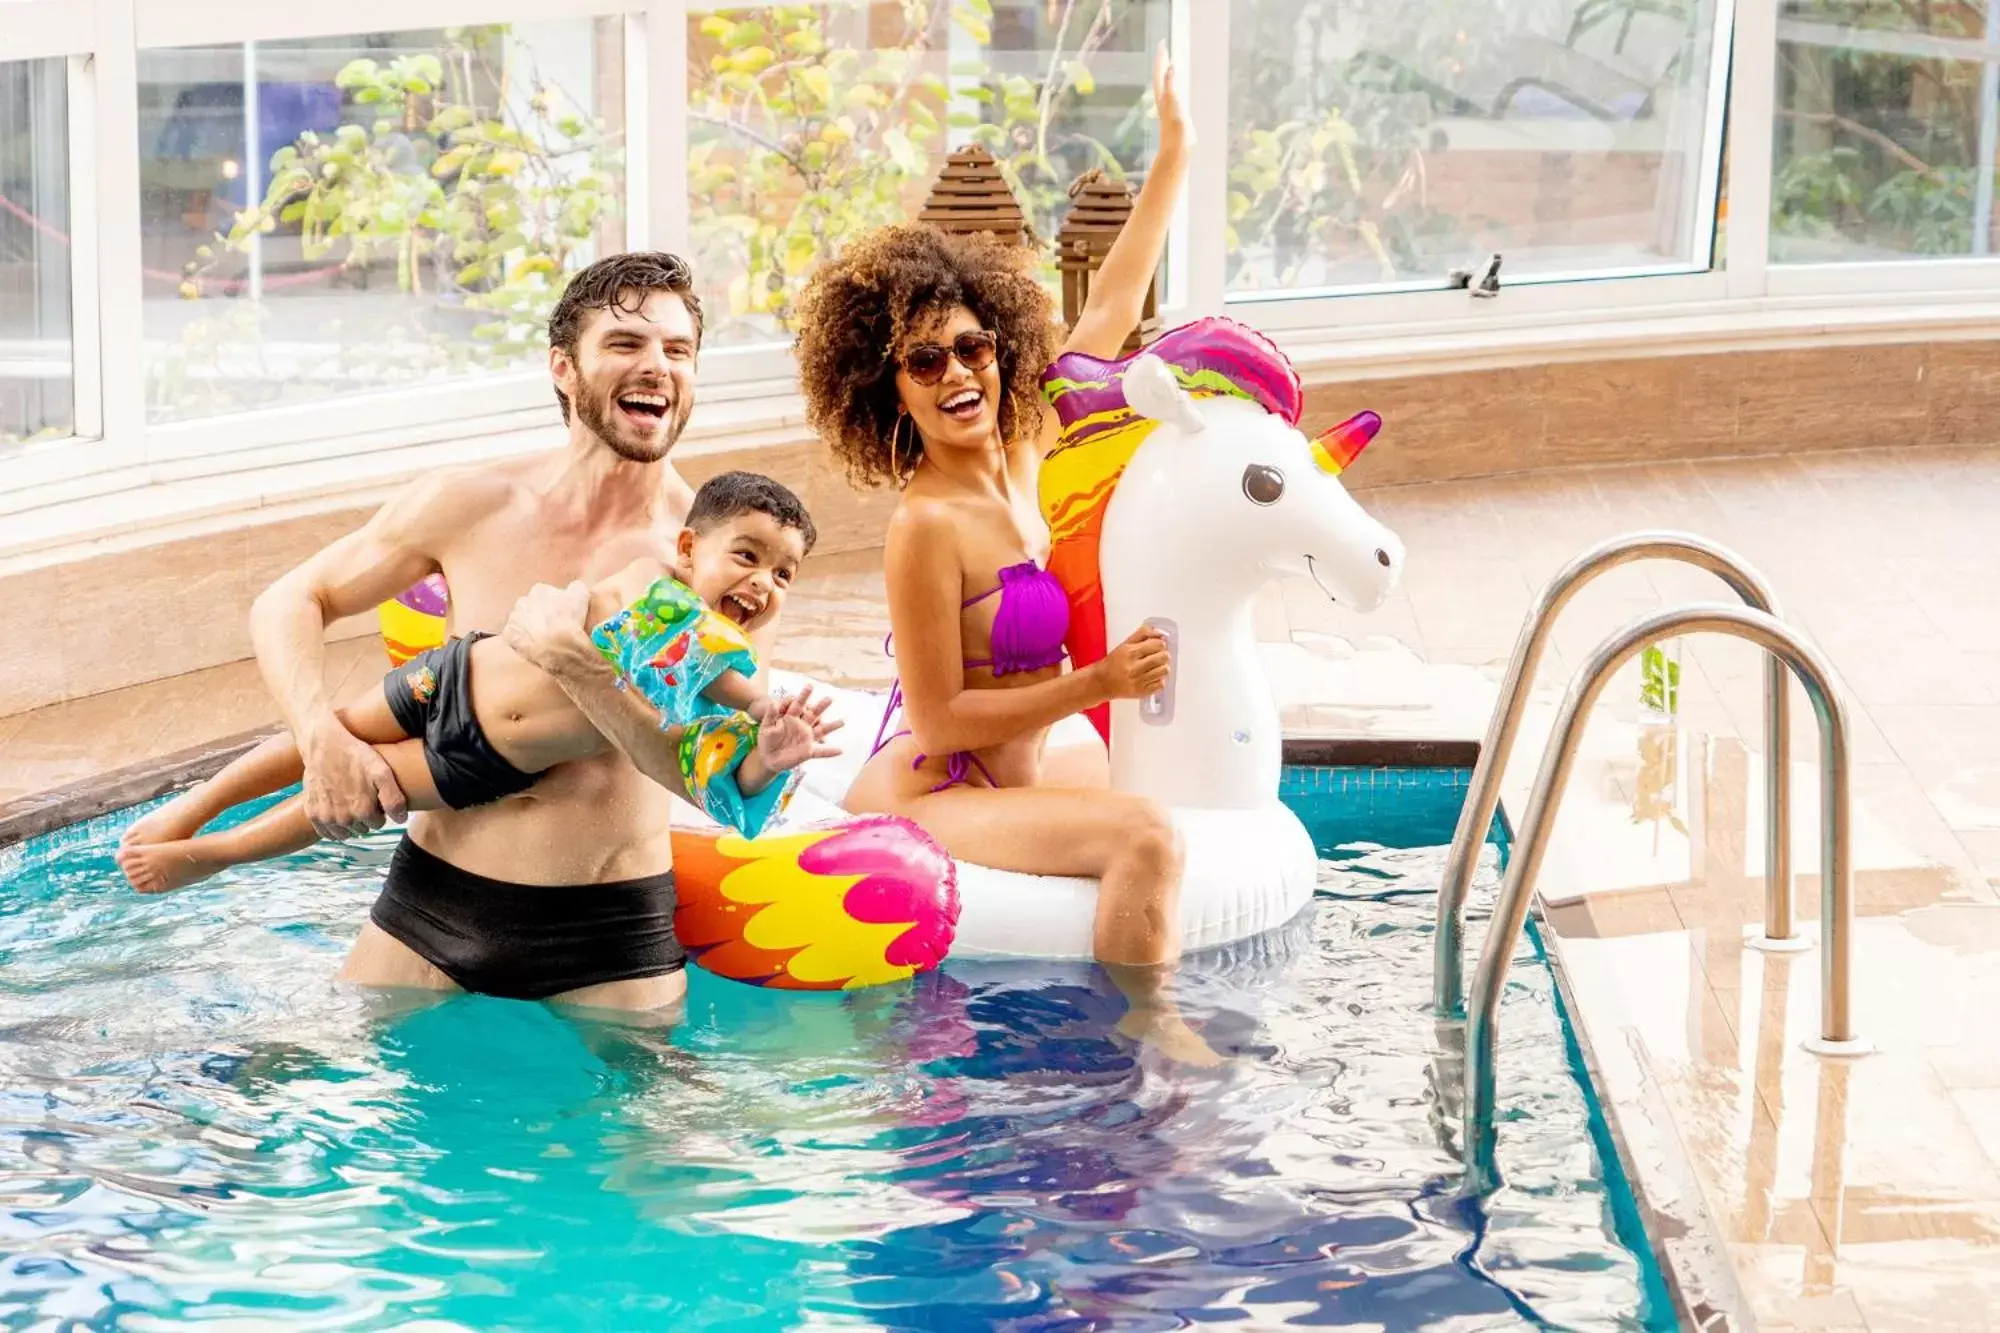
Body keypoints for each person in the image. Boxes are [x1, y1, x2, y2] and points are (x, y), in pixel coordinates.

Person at [134, 251, 777, 1014]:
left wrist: (577, 664)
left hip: (609, 929)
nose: (657, 367)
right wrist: (320, 739)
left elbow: (712, 779)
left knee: (655, 1130)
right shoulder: (475, 503)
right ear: (564, 368)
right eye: (626, 344)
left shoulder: (718, 560)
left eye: (678, 350)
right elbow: (290, 599)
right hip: (428, 906)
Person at [792, 44, 1212, 1061]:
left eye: (972, 348)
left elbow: (1107, 314)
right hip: (945, 787)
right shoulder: (925, 527)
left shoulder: (1027, 445)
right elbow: (938, 717)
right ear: (887, 388)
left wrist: (1174, 155)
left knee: (1145, 788)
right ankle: (1144, 1038)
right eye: (922, 361)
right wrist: (1097, 681)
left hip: (1025, 763)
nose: (954, 375)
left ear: (1001, 351)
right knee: (1145, 837)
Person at [117, 472, 835, 896]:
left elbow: (720, 774)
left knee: (359, 792)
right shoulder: (654, 583)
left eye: (782, 574)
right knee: (332, 734)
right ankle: (196, 804)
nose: (760, 581)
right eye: (747, 555)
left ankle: (213, 855)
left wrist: (768, 752)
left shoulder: (722, 668)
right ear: (687, 547)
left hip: (483, 760)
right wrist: (761, 700)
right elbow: (691, 652)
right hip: (453, 674)